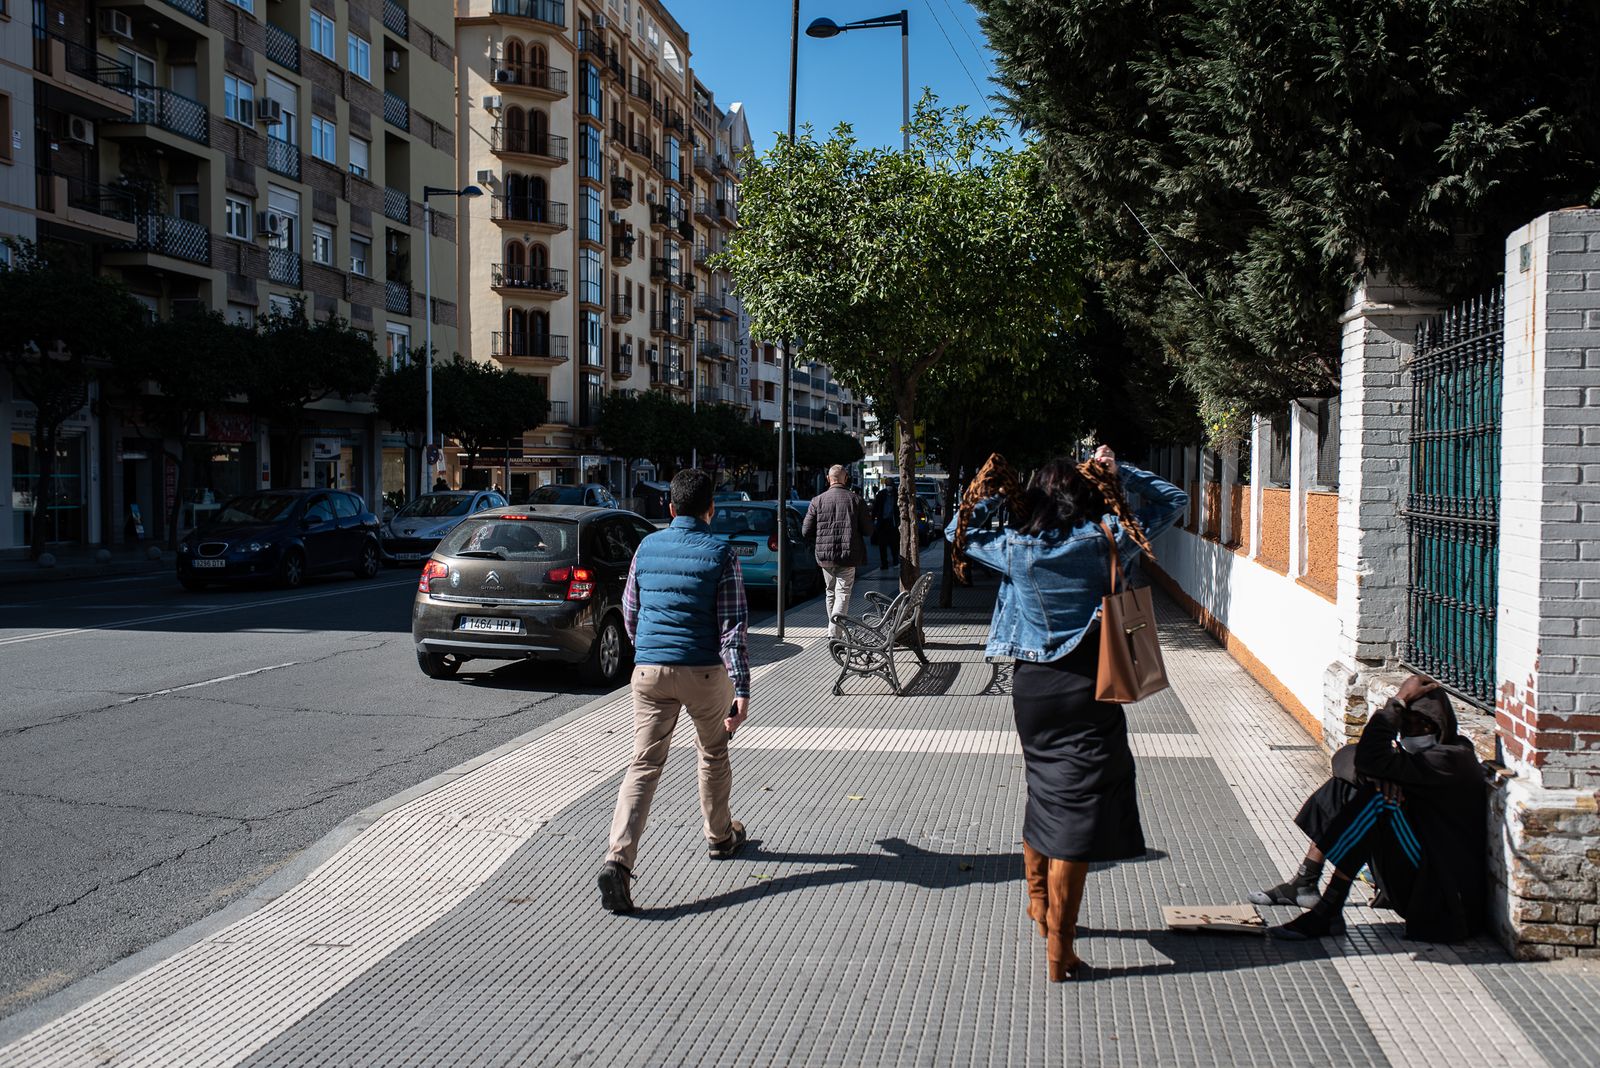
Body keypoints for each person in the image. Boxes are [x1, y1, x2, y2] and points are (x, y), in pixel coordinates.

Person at [949, 446, 1187, 981]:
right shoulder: (1107, 538)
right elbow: (1175, 501)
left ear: (1036, 497)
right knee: (1076, 811)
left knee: (1044, 789)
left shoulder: (1016, 546)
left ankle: (1039, 907)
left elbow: (953, 532)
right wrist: (1118, 472)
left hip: (1032, 690)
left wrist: (988, 489)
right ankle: (1060, 948)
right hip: (1091, 684)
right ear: (1083, 495)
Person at [599, 468, 751, 914]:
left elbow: (631, 612)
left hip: (649, 672)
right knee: (713, 751)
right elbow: (732, 629)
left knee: (643, 765)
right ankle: (720, 836)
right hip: (704, 673)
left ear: (669, 508)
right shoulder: (721, 553)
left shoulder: (646, 547)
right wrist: (741, 688)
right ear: (711, 509)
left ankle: (618, 861)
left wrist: (648, 651)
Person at [1259, 674, 1487, 942]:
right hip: (1412, 875)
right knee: (1347, 786)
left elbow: (1370, 758)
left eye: (1423, 725)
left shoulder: (1451, 758)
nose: (1413, 732)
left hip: (1441, 894)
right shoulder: (1413, 758)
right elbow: (1345, 757)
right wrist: (1378, 775)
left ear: (1441, 725)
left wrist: (1398, 702)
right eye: (1407, 724)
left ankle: (1329, 909)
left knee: (1380, 799)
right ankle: (1306, 880)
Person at [802, 464, 874, 640]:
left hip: (825, 556)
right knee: (842, 593)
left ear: (828, 479)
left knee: (830, 592)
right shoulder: (855, 500)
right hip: (848, 555)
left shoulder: (817, 501)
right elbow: (868, 530)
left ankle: (834, 630)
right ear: (846, 478)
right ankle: (835, 632)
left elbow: (805, 531)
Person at [871, 484, 900, 571]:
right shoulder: (881, 494)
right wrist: (873, 519)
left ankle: (895, 561)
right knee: (882, 545)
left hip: (893, 522)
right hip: (883, 522)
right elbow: (876, 507)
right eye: (888, 485)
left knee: (894, 544)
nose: (889, 487)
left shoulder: (896, 494)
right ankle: (884, 563)